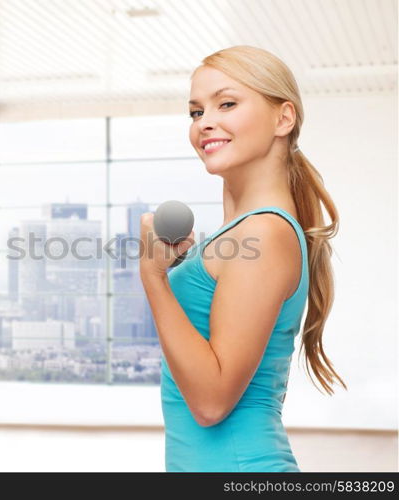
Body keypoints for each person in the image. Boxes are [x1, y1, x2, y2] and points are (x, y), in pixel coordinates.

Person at [139, 45, 348, 472]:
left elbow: (212, 402)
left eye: (227, 103)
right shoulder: (243, 234)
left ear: (283, 118)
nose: (205, 123)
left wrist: (154, 278)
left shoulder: (264, 233)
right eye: (196, 112)